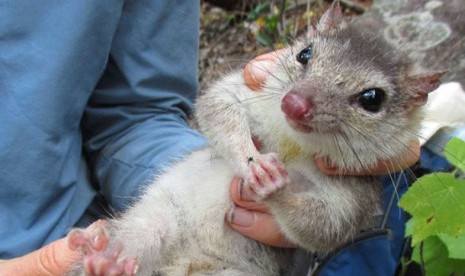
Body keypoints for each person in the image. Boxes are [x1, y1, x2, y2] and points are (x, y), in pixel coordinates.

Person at [0, 1, 419, 275]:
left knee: (139, 240)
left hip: (232, 254)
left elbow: (135, 114)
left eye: (368, 98)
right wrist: (246, 158)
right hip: (72, 238)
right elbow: (220, 105)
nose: (298, 102)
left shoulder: (353, 170)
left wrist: (273, 196)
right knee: (139, 236)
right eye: (306, 59)